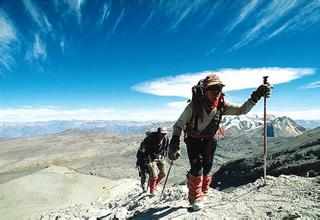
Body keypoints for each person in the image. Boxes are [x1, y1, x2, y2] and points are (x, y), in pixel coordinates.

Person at [168, 74, 271, 211]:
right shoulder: (194, 106)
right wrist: (174, 142)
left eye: (219, 88)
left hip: (210, 139)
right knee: (197, 166)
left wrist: (256, 96)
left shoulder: (222, 105)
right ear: (205, 90)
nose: (217, 91)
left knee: (208, 165)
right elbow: (179, 124)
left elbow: (242, 110)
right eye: (213, 88)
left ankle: (203, 191)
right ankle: (195, 197)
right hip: (193, 140)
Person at [139, 127, 169, 195]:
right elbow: (143, 150)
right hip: (150, 158)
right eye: (162, 134)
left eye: (165, 134)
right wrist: (146, 159)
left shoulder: (166, 139)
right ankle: (152, 191)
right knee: (154, 175)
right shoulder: (150, 139)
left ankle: (154, 185)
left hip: (160, 157)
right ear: (158, 133)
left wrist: (164, 156)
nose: (163, 135)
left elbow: (166, 148)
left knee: (163, 173)